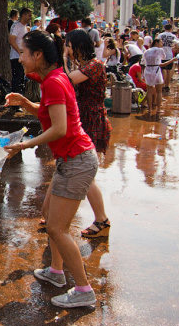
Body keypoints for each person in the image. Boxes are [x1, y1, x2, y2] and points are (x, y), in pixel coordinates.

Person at [4, 30, 98, 308]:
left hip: (78, 160)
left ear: (38, 55)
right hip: (70, 160)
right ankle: (56, 273)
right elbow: (50, 114)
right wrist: (26, 103)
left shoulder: (55, 82)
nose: (20, 58)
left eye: (23, 53)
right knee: (49, 215)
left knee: (57, 228)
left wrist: (24, 145)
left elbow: (60, 128)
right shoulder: (52, 80)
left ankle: (83, 289)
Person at [63, 29, 112, 238]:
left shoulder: (94, 66)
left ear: (77, 45)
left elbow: (66, 80)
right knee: (73, 169)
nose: (66, 49)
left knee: (85, 173)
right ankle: (57, 213)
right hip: (83, 119)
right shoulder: (86, 66)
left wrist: (64, 59)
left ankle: (101, 219)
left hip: (91, 120)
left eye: (68, 45)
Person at [143, 37, 176, 117]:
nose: (162, 44)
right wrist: (172, 60)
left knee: (149, 91)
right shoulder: (159, 50)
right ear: (157, 43)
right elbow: (163, 60)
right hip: (156, 70)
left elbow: (144, 62)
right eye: (161, 42)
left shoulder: (146, 51)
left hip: (147, 70)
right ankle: (158, 109)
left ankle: (150, 109)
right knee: (159, 91)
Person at [9, 7, 32, 93]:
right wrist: (20, 52)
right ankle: (14, 104)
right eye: (29, 15)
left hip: (23, 58)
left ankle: (19, 100)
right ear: (23, 15)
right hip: (16, 57)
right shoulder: (16, 25)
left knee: (21, 79)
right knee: (17, 80)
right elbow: (11, 40)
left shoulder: (25, 27)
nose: (30, 18)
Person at [157, 23, 176, 92]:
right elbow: (176, 46)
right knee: (168, 71)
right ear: (171, 29)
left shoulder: (160, 35)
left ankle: (161, 85)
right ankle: (167, 85)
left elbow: (157, 43)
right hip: (169, 54)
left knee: (162, 70)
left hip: (161, 54)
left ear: (164, 28)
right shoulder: (173, 36)